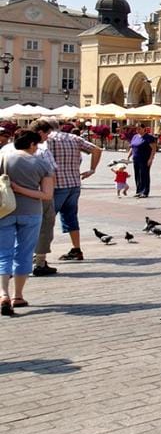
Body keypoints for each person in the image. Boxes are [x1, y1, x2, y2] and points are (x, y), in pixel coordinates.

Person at [0, 128, 53, 316]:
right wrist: (22, 189)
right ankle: (18, 296)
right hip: (31, 212)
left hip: (4, 210)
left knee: (3, 254)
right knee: (23, 253)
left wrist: (12, 188)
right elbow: (47, 195)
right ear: (32, 144)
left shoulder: (4, 158)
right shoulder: (42, 163)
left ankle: (3, 294)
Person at [43, 119, 102, 264]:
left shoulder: (47, 140)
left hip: (55, 186)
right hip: (74, 184)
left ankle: (40, 254)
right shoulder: (74, 138)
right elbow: (97, 149)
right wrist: (92, 169)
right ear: (60, 127)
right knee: (71, 217)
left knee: (47, 220)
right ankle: (76, 249)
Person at [129, 123, 156, 199]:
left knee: (144, 175)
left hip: (145, 159)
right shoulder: (135, 136)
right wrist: (128, 156)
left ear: (144, 129)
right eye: (136, 129)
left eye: (139, 129)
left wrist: (151, 159)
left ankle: (145, 191)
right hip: (136, 159)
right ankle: (138, 191)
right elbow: (132, 147)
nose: (138, 130)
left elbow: (153, 149)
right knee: (137, 175)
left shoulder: (149, 137)